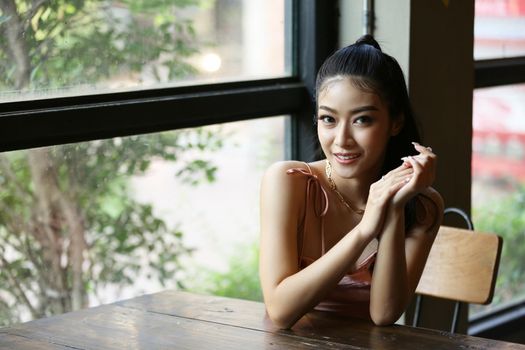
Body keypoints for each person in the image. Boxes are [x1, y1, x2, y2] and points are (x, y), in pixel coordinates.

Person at [259, 35, 444, 329]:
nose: (342, 140)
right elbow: (281, 312)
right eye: (328, 119)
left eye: (362, 120)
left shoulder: (422, 204)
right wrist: (365, 230)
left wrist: (394, 207)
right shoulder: (288, 182)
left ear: (395, 122)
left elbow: (384, 314)